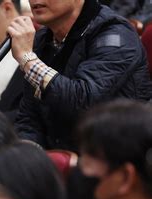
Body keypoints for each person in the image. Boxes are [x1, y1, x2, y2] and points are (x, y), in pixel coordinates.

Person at [11, 0, 152, 150]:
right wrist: (29, 155)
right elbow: (29, 117)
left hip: (114, 156)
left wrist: (28, 60)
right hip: (58, 158)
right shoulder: (42, 39)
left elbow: (82, 102)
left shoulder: (115, 33)